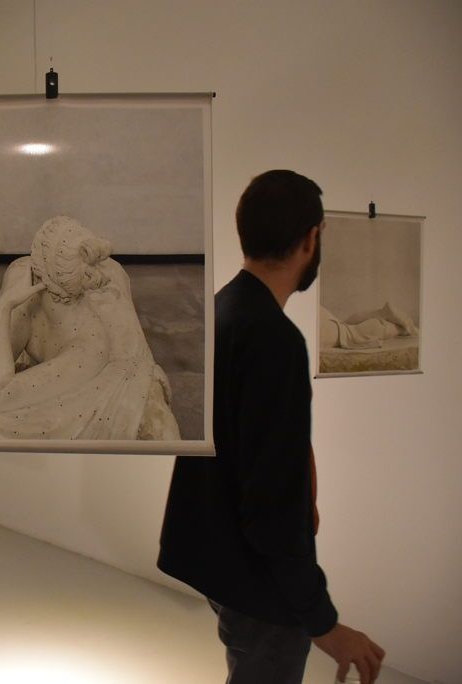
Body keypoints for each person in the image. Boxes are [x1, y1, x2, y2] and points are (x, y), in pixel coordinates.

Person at [157, 171, 385, 684]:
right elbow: (272, 505)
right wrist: (322, 621)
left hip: (219, 558)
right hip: (258, 580)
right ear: (310, 239)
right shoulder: (274, 340)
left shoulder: (222, 310)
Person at [0, 215, 179, 441]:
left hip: (93, 386)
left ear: (43, 278)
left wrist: (3, 307)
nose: (27, 270)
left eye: (33, 268)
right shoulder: (23, 274)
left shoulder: (89, 346)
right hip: (52, 360)